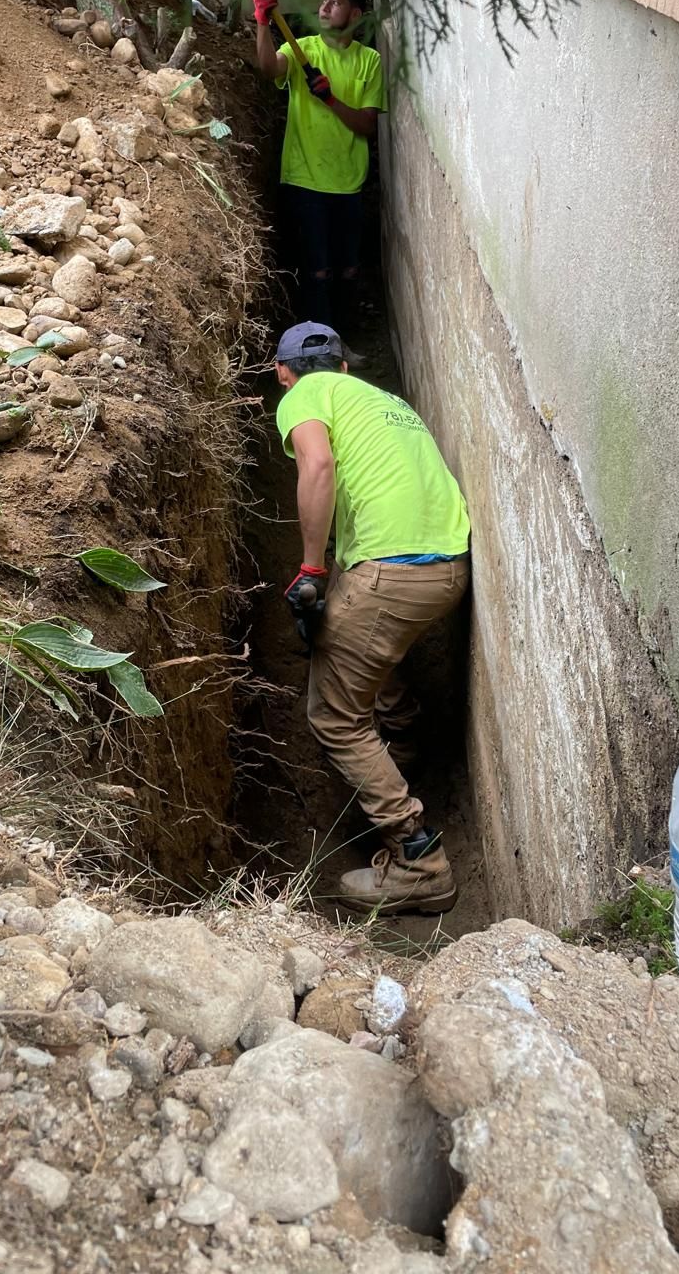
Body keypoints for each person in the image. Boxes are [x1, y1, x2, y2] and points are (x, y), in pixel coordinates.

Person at [273, 320, 471, 914]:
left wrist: (311, 570)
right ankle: (401, 739)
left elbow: (319, 468)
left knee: (334, 714)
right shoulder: (384, 402)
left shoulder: (302, 396)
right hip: (447, 569)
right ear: (343, 366)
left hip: (393, 575)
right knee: (363, 638)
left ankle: (419, 859)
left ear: (283, 373)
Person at [253, 0, 385, 326]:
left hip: (348, 182)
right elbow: (269, 68)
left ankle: (343, 341)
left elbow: (368, 125)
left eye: (335, 2)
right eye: (324, 0)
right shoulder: (302, 49)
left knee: (348, 270)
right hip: (305, 179)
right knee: (317, 271)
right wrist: (263, 23)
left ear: (355, 14)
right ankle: (319, 347)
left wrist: (330, 100)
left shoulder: (369, 61)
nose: (324, 7)